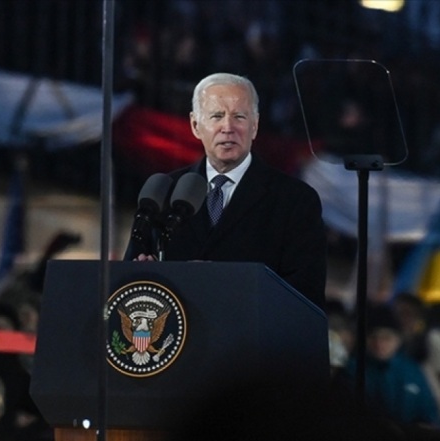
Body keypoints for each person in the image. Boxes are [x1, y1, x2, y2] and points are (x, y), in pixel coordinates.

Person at [126, 72, 327, 309]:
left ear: (255, 126)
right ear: (195, 125)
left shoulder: (295, 200)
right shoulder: (164, 191)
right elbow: (129, 282)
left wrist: (223, 284)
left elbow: (305, 294)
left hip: (252, 341)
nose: (227, 127)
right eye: (216, 116)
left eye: (239, 117)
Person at [335, 304, 440, 427]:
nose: (379, 344)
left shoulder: (412, 371)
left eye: (386, 338)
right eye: (373, 337)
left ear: (398, 339)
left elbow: (430, 414)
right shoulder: (352, 370)